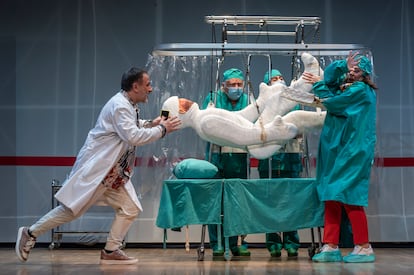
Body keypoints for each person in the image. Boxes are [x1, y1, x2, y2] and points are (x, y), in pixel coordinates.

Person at [15, 67, 181, 264]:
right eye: (147, 84)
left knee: (130, 208)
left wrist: (150, 124)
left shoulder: (127, 105)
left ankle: (111, 250)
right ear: (135, 87)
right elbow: (132, 136)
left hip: (113, 174)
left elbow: (129, 128)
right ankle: (30, 232)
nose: (151, 89)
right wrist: (162, 129)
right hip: (100, 172)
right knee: (71, 211)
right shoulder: (120, 105)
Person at [302, 51, 377, 263]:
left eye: (357, 70)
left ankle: (363, 246)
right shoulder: (347, 88)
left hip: (353, 151)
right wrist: (342, 65)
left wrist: (318, 85)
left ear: (366, 74)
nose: (353, 72)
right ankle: (330, 245)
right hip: (336, 150)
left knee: (350, 196)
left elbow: (332, 102)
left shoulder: (361, 91)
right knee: (330, 195)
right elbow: (331, 82)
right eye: (351, 69)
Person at [201, 68, 251, 257]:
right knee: (217, 202)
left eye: (239, 84)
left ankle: (237, 242)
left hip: (240, 159)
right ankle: (217, 244)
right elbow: (205, 124)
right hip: (217, 158)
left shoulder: (248, 101)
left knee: (238, 203)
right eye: (232, 85)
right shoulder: (213, 99)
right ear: (223, 86)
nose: (236, 88)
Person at [258, 69, 302, 258]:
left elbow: (301, 127)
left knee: (290, 202)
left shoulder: (295, 102)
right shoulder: (261, 106)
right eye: (273, 80)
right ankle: (274, 241)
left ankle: (292, 241)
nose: (278, 81)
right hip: (270, 160)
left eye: (280, 78)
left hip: (291, 157)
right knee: (272, 203)